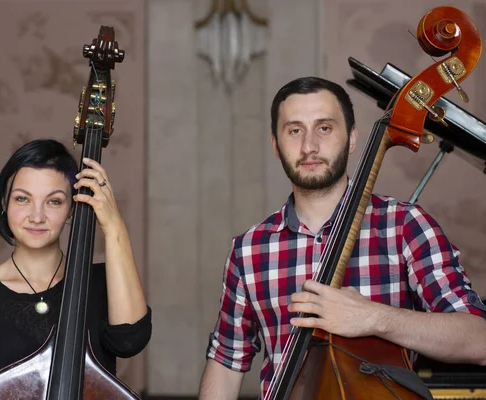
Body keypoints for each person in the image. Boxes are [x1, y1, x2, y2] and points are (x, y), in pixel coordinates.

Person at [198, 77, 486, 399]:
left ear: (351, 139)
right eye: (294, 130)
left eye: (324, 128)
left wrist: (373, 317)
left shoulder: (405, 226)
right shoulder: (249, 250)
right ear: (275, 145)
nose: (309, 146)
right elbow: (226, 362)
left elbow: (479, 339)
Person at [0, 139, 151, 399]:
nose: (37, 216)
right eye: (22, 199)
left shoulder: (100, 282)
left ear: (72, 208)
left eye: (54, 202)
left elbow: (130, 341)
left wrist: (113, 225)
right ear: (4, 203)